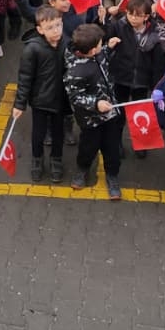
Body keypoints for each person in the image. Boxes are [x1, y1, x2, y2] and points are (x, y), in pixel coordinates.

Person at [65, 22, 123, 199]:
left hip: (111, 114)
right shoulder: (75, 71)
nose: (101, 45)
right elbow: (75, 97)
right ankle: (82, 169)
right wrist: (96, 103)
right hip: (91, 120)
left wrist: (108, 48)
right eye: (100, 43)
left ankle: (112, 176)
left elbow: (103, 55)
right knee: (88, 147)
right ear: (91, 50)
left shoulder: (98, 54)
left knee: (112, 147)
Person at [15, 5, 69, 184]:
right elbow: (25, 78)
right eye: (50, 27)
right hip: (40, 100)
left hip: (60, 99)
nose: (56, 31)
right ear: (40, 29)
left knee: (58, 132)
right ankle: (37, 160)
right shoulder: (32, 49)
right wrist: (19, 104)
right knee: (38, 134)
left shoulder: (66, 44)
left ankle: (57, 160)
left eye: (58, 25)